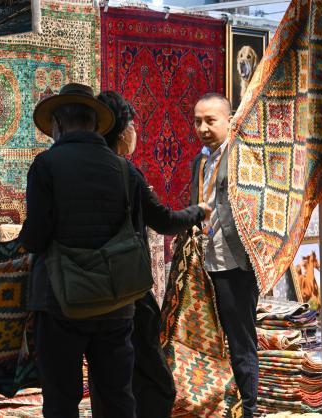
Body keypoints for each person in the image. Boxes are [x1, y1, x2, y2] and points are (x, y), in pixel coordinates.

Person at [18, 83, 138, 417]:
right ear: (95, 124)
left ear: (57, 124)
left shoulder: (46, 165)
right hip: (115, 302)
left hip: (61, 302)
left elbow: (37, 236)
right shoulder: (125, 170)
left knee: (61, 400)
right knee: (117, 399)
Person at [89, 91, 210, 418]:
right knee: (154, 376)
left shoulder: (82, 172)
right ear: (121, 130)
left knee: (107, 373)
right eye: (132, 125)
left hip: (91, 288)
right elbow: (164, 220)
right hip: (128, 286)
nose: (135, 132)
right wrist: (198, 211)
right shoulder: (125, 172)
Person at [189, 92, 259, 418]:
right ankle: (219, 405)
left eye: (210, 120)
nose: (202, 128)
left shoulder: (244, 156)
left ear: (229, 121)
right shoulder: (200, 160)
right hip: (204, 262)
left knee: (240, 338)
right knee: (207, 339)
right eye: (197, 121)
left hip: (235, 263)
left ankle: (249, 408)